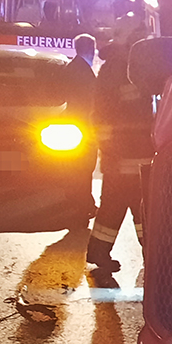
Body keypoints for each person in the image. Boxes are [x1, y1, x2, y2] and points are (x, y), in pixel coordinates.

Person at [85, 26, 155, 276]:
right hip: (124, 157)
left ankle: (101, 252)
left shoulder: (136, 71)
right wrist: (113, 153)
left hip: (139, 156)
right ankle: (151, 254)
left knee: (135, 207)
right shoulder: (116, 71)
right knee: (134, 207)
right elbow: (102, 114)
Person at [66, 34, 98, 223]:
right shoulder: (83, 70)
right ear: (91, 49)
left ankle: (83, 203)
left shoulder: (73, 67)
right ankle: (83, 204)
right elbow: (90, 100)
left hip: (77, 124)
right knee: (84, 167)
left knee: (81, 168)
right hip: (83, 126)